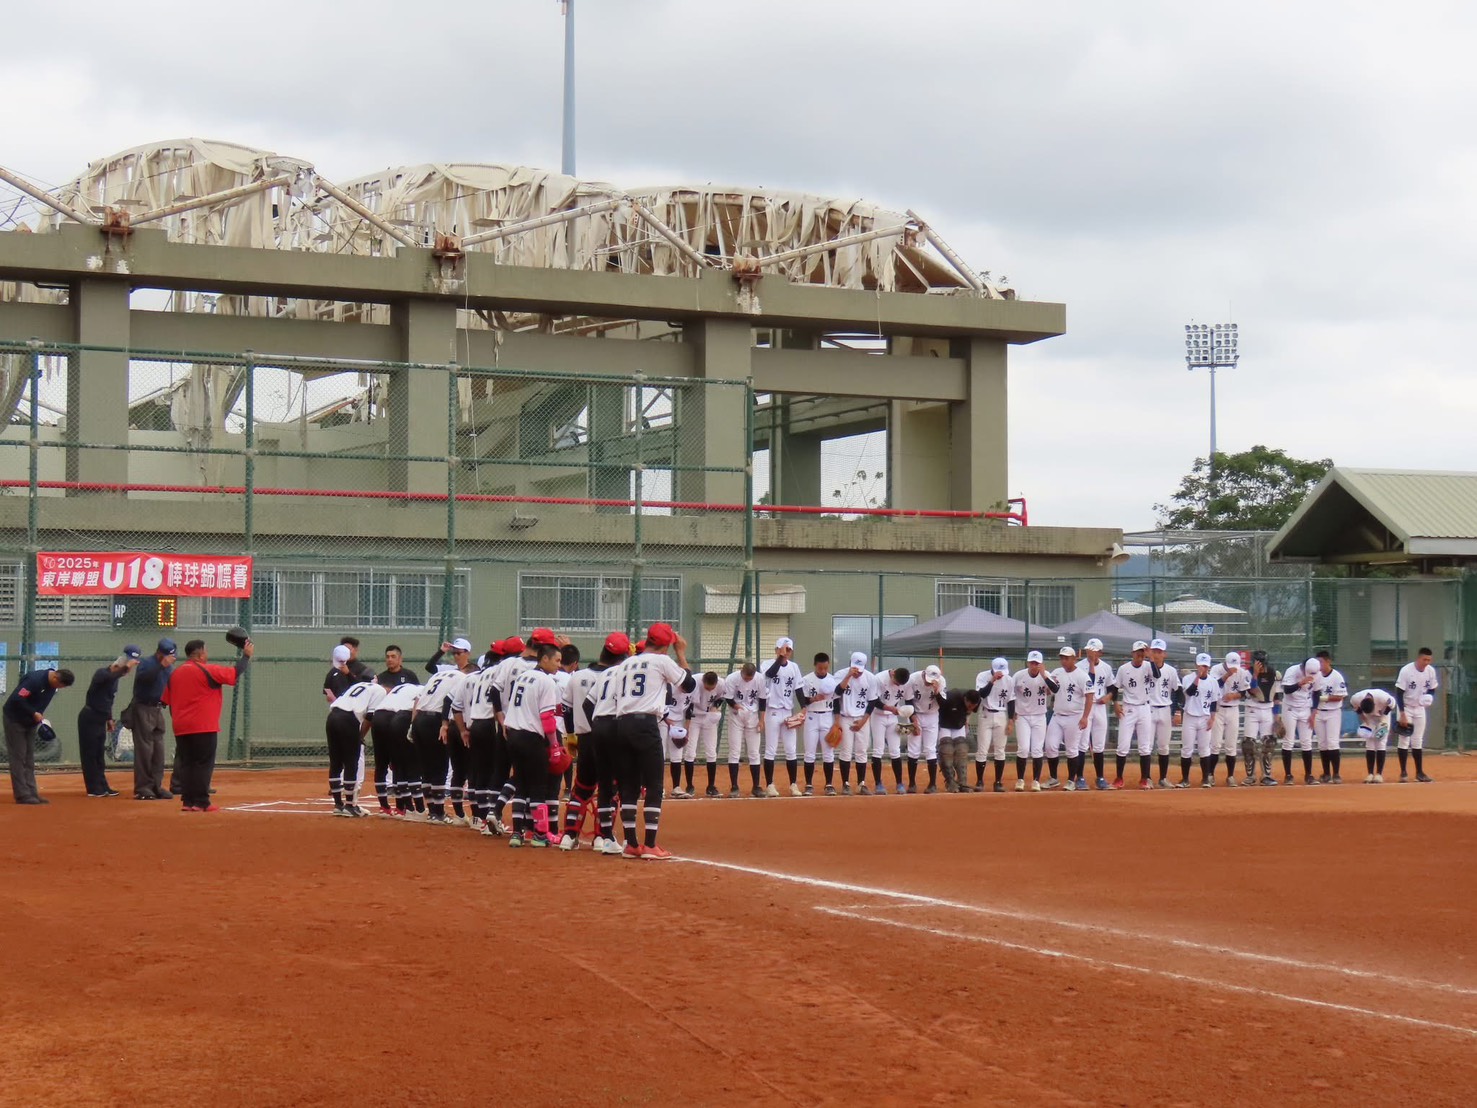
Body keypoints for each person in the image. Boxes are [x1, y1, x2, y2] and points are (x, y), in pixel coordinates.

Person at [613, 622, 696, 859]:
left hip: (622, 723)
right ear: (666, 645)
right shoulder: (662, 660)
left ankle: (631, 844)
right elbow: (688, 685)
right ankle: (650, 845)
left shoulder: (627, 662)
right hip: (646, 724)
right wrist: (681, 653)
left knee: (628, 785)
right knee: (654, 784)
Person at [165, 638, 251, 812]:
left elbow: (167, 700)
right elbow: (235, 673)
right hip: (203, 725)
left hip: (181, 726)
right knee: (203, 763)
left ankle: (188, 801)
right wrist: (246, 656)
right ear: (199, 654)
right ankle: (202, 801)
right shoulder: (207, 669)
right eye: (205, 651)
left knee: (187, 764)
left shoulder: (175, 673)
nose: (207, 654)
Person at [559, 634, 625, 847]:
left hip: (585, 737)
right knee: (610, 789)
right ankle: (602, 837)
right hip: (610, 737)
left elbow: (566, 709)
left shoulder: (577, 677)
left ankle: (569, 836)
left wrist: (570, 736)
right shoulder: (620, 676)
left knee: (581, 788)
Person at [503, 643, 565, 848]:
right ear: (544, 659)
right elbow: (547, 718)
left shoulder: (524, 676)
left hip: (513, 735)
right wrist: (554, 745)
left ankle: (516, 833)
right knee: (538, 787)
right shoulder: (546, 681)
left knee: (521, 785)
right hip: (531, 737)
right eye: (556, 660)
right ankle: (539, 834)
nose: (559, 664)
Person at [410, 639, 473, 825]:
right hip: (434, 719)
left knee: (427, 768)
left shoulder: (440, 676)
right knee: (439, 765)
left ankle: (432, 811)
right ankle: (437, 812)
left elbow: (419, 699)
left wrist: (412, 725)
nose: (455, 656)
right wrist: (446, 724)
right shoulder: (463, 678)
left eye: (458, 652)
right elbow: (450, 702)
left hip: (419, 718)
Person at [4, 665, 76, 804]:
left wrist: (39, 718)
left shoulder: (52, 685)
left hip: (30, 722)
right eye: (60, 685)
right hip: (14, 720)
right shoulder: (34, 680)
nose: (59, 688)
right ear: (55, 677)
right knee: (18, 757)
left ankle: (32, 792)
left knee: (29, 757)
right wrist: (33, 713)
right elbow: (16, 699)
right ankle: (22, 795)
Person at [78, 646, 141, 797]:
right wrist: (126, 667)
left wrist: (109, 718)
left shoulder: (114, 680)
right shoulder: (102, 674)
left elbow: (108, 700)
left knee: (99, 753)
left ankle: (103, 785)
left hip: (101, 718)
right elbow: (110, 677)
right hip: (89, 718)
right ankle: (93, 788)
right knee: (90, 754)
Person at [324, 678, 386, 816]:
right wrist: (360, 736)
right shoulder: (381, 691)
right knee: (351, 762)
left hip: (332, 717)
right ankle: (350, 806)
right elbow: (370, 716)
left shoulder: (359, 685)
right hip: (348, 719)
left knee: (336, 762)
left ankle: (338, 805)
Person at [128, 638, 177, 801]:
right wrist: (161, 665)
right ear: (159, 653)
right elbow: (144, 679)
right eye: (168, 655)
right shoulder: (147, 663)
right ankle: (143, 788)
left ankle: (156, 786)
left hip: (157, 709)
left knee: (158, 750)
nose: (171, 659)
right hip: (143, 707)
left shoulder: (169, 668)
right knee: (144, 750)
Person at [371, 676, 423, 817]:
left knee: (381, 764)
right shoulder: (423, 689)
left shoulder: (400, 688)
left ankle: (384, 807)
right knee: (400, 763)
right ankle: (405, 808)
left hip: (378, 716)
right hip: (396, 717)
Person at [1043, 646, 1094, 791]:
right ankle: (1053, 778)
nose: (1063, 661)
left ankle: (1072, 780)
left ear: (1074, 659)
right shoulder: (1057, 673)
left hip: (1074, 717)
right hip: (1057, 715)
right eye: (1062, 658)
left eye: (1067, 658)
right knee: (1050, 746)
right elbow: (1049, 690)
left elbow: (1090, 696)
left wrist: (1085, 717)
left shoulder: (1082, 676)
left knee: (1072, 750)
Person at [760, 637, 804, 797]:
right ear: (777, 650)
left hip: (787, 712)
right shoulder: (767, 664)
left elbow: (798, 688)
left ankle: (793, 784)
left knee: (791, 750)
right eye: (784, 649)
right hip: (772, 711)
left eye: (789, 650)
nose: (787, 652)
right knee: (770, 749)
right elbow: (770, 674)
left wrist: (804, 708)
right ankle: (770, 785)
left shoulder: (794, 667)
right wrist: (780, 657)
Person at [1113, 641, 1155, 789]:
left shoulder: (1149, 666)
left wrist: (1151, 658)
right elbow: (1115, 687)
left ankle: (1144, 779)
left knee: (1145, 746)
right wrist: (1115, 703)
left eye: (1143, 652)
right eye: (1138, 652)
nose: (1140, 654)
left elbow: (1157, 675)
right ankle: (1119, 778)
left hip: (1144, 708)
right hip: (1128, 708)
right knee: (1123, 745)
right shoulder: (1124, 669)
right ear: (1132, 653)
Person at [1395, 647, 1441, 782]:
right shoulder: (1406, 671)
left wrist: (1429, 697)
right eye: (1424, 659)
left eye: (1429, 660)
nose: (1427, 662)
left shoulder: (1430, 671)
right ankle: (1403, 772)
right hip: (1406, 707)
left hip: (1420, 708)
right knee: (1404, 740)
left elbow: (1432, 688)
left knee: (1417, 740)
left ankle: (1419, 772)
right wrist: (1402, 713)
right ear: (1418, 658)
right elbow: (1398, 692)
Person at [834, 652, 878, 794]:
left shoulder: (870, 678)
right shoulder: (840, 674)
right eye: (855, 667)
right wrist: (848, 676)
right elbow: (836, 694)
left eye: (860, 668)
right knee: (846, 751)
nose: (857, 672)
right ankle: (846, 784)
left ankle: (861, 784)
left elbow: (872, 701)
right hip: (845, 717)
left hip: (862, 718)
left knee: (861, 751)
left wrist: (864, 721)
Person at [799, 653, 840, 795]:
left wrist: (837, 722)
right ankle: (809, 785)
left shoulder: (832, 680)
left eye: (825, 668)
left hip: (827, 716)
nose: (823, 670)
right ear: (815, 665)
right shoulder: (806, 680)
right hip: (812, 717)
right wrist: (813, 699)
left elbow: (836, 703)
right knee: (809, 753)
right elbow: (802, 701)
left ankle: (829, 784)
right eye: (820, 668)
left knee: (828, 753)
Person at [722, 662, 765, 798]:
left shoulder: (760, 679)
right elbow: (728, 698)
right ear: (742, 672)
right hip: (736, 715)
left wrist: (762, 720)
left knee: (754, 752)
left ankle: (756, 786)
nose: (748, 680)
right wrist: (738, 707)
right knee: (734, 751)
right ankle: (734, 786)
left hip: (753, 715)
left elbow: (763, 700)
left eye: (750, 678)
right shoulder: (732, 679)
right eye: (746, 677)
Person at [1208, 652, 1250, 786]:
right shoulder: (1216, 669)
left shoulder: (1242, 672)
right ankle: (1210, 775)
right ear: (1225, 662)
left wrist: (1234, 696)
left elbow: (1244, 691)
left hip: (1233, 709)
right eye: (1230, 665)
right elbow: (1215, 685)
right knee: (1215, 744)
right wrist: (1227, 674)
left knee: (1231, 745)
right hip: (1219, 709)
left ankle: (1230, 776)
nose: (1233, 668)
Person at [869, 666, 913, 794]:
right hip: (878, 716)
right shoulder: (879, 679)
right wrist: (890, 708)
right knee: (878, 749)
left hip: (893, 717)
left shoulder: (906, 683)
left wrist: (910, 717)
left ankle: (899, 784)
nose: (897, 685)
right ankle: (878, 784)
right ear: (892, 674)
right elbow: (874, 701)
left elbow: (909, 700)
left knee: (895, 750)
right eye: (895, 682)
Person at [903, 664, 947, 793]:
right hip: (914, 713)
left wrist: (937, 691)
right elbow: (908, 702)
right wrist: (914, 721)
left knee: (930, 749)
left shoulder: (941, 682)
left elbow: (943, 705)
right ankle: (912, 784)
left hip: (932, 715)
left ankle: (932, 784)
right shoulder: (913, 679)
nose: (928, 683)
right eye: (927, 680)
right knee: (913, 749)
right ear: (923, 674)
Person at [1011, 651, 1051, 792]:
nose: (1034, 665)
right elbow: (1011, 694)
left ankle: (1036, 781)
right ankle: (1020, 780)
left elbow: (1055, 689)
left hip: (1040, 716)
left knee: (1037, 749)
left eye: (1037, 663)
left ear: (1041, 663)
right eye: (1032, 663)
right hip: (1022, 716)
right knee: (1023, 748)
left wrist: (1044, 675)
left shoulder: (1046, 675)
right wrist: (1012, 714)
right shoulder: (1019, 676)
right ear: (1028, 663)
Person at [973, 658, 1014, 792]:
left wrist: (1011, 720)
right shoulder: (982, 676)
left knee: (1000, 750)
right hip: (986, 714)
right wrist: (992, 680)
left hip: (1001, 714)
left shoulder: (1009, 680)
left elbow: (1011, 701)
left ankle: (998, 782)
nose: (1001, 674)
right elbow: (981, 694)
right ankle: (979, 781)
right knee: (982, 749)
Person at [1241, 651, 1282, 786]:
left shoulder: (1274, 674)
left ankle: (1266, 775)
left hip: (1267, 709)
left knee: (1269, 742)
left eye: (1263, 663)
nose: (1261, 665)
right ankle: (1250, 776)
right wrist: (1255, 674)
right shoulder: (1247, 673)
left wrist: (1277, 716)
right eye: (1258, 663)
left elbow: (1276, 697)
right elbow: (1252, 690)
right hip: (1252, 708)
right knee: (1249, 744)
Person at [1177, 654, 1218, 786]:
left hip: (1205, 717)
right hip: (1190, 716)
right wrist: (1197, 678)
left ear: (1209, 667)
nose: (1203, 668)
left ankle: (1205, 779)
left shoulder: (1213, 681)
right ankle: (1185, 779)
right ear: (1196, 665)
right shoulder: (1188, 678)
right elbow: (1188, 693)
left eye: (1205, 666)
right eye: (1201, 665)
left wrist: (1212, 718)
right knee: (1187, 748)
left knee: (1204, 749)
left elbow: (1213, 701)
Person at [1080, 639, 1115, 790]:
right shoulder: (1080, 666)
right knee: (1082, 743)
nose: (1090, 652)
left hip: (1100, 707)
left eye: (1094, 650)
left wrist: (1109, 697)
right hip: (1084, 707)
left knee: (1099, 744)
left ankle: (1100, 777)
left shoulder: (1106, 668)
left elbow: (1112, 687)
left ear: (1100, 652)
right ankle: (1079, 777)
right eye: (1089, 649)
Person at [1145, 639, 1180, 789]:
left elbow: (1177, 691)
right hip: (1148, 709)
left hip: (1165, 708)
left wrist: (1177, 711)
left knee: (1164, 746)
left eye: (1159, 652)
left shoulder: (1171, 671)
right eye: (1154, 651)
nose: (1157, 654)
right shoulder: (1145, 668)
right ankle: (1146, 778)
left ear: (1164, 654)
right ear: (1150, 652)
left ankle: (1163, 778)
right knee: (1146, 746)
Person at [1309, 651, 1348, 784]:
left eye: (1321, 662)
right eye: (1317, 662)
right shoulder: (1316, 676)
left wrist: (1322, 698)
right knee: (1322, 743)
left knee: (1332, 742)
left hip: (1333, 712)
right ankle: (1326, 773)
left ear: (1328, 661)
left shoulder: (1337, 676)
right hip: (1319, 712)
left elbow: (1340, 696)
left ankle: (1336, 773)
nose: (1319, 665)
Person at [1279, 658, 1318, 785]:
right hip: (1290, 707)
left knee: (1307, 742)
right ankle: (1288, 775)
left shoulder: (1317, 673)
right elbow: (1286, 690)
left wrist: (1314, 713)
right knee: (1288, 741)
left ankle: (1309, 775)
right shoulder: (1292, 671)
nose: (1311, 675)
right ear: (1303, 667)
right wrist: (1300, 683)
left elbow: (1317, 693)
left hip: (1306, 708)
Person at [689, 672, 726, 798]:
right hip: (694, 717)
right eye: (707, 687)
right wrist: (687, 724)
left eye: (712, 687)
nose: (709, 689)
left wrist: (715, 706)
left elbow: (721, 698)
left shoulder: (721, 683)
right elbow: (687, 702)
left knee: (711, 752)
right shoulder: (695, 681)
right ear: (703, 681)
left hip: (709, 717)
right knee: (690, 752)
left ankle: (711, 786)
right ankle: (689, 786)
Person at [1351, 687, 1399, 783]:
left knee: (1381, 741)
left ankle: (1379, 774)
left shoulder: (1383, 697)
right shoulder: (1356, 698)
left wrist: (1384, 714)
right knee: (1370, 743)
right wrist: (1364, 720)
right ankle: (1370, 774)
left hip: (1383, 715)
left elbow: (1392, 704)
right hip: (1368, 717)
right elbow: (1356, 709)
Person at [936, 685, 972, 793]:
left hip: (959, 725)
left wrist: (966, 721)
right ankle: (950, 781)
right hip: (944, 724)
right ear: (965, 699)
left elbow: (969, 711)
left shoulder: (975, 699)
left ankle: (962, 782)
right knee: (946, 751)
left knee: (961, 751)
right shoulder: (951, 697)